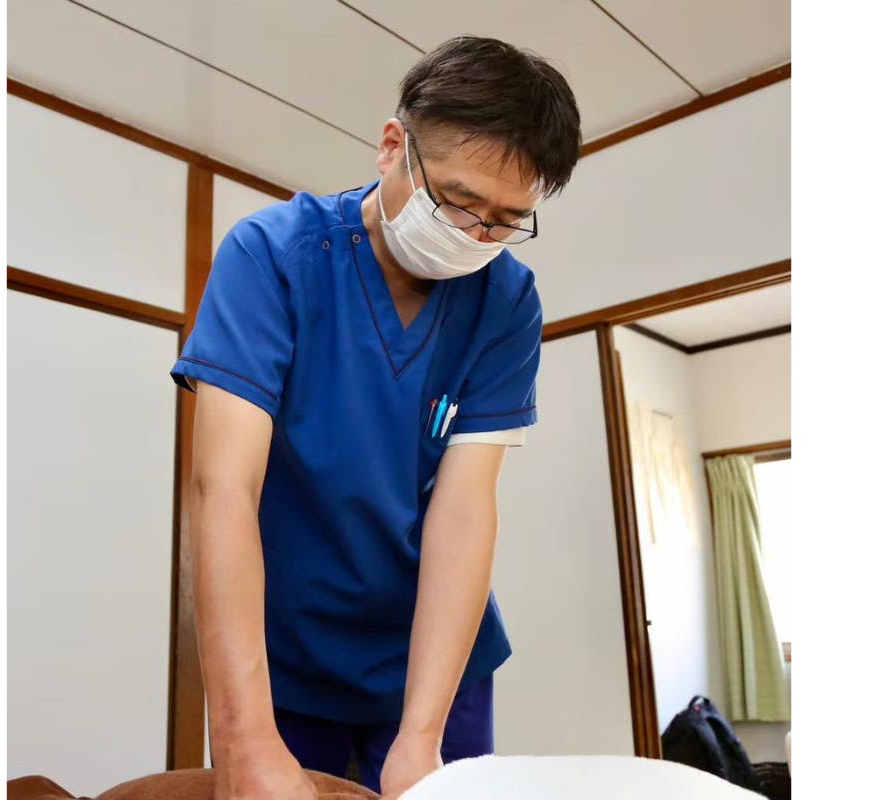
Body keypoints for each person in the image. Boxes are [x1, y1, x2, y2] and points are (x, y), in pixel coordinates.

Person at [169, 35, 581, 800]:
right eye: (458, 201)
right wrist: (241, 735)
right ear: (394, 146)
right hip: (288, 658)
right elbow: (223, 488)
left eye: (506, 219)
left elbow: (464, 510)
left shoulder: (508, 302)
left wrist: (420, 734)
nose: (476, 235)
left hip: (437, 662)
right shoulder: (273, 256)